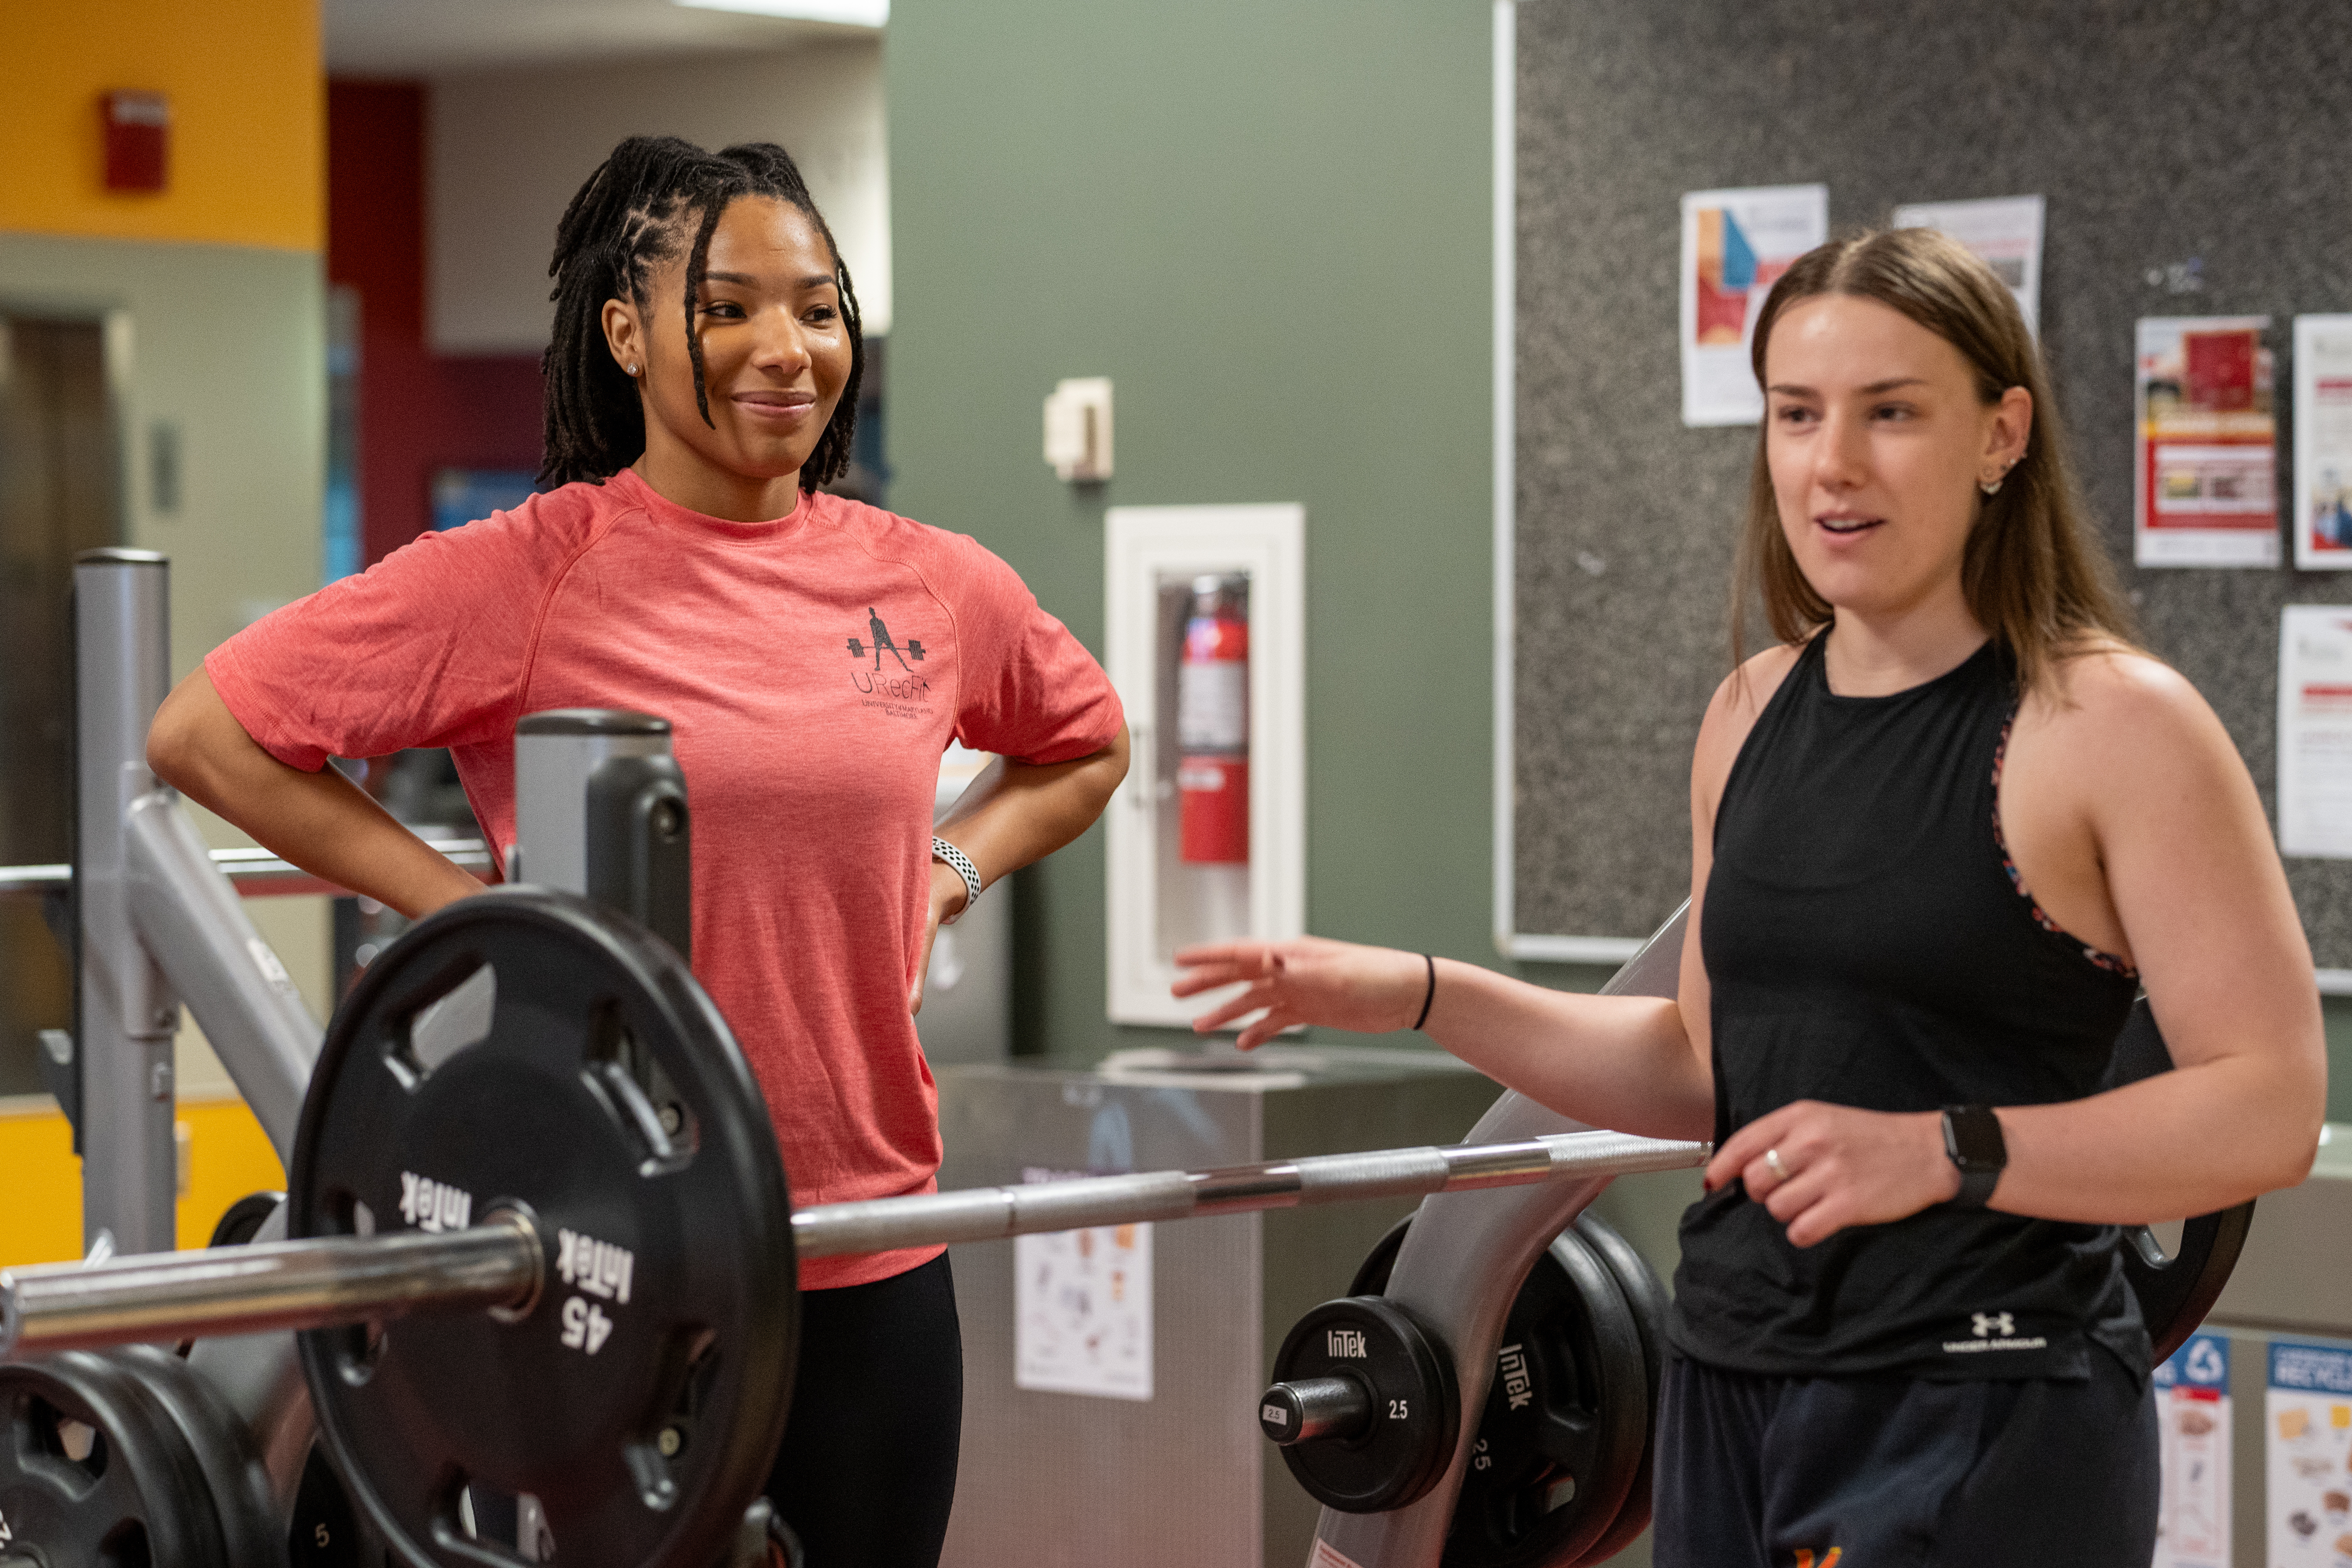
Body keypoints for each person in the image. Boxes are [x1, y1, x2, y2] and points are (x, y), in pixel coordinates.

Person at [1172, 228, 2324, 1565]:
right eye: (1796, 413)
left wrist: (1948, 1148)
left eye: (1891, 412)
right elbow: (1699, 1066)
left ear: (2002, 434)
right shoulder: (1752, 713)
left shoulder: (2113, 724)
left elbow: (2270, 1104)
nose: (1832, 462)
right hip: (1731, 1385)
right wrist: (1426, 992)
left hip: (1983, 1398)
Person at [148, 136, 1129, 1567]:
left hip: (873, 1253)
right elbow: (208, 733)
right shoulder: (531, 571)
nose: (783, 350)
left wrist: (946, 872)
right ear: (627, 335)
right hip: (621, 1259)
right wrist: (473, 910)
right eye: (727, 308)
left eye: (817, 306)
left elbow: (1086, 743)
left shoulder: (930, 581)